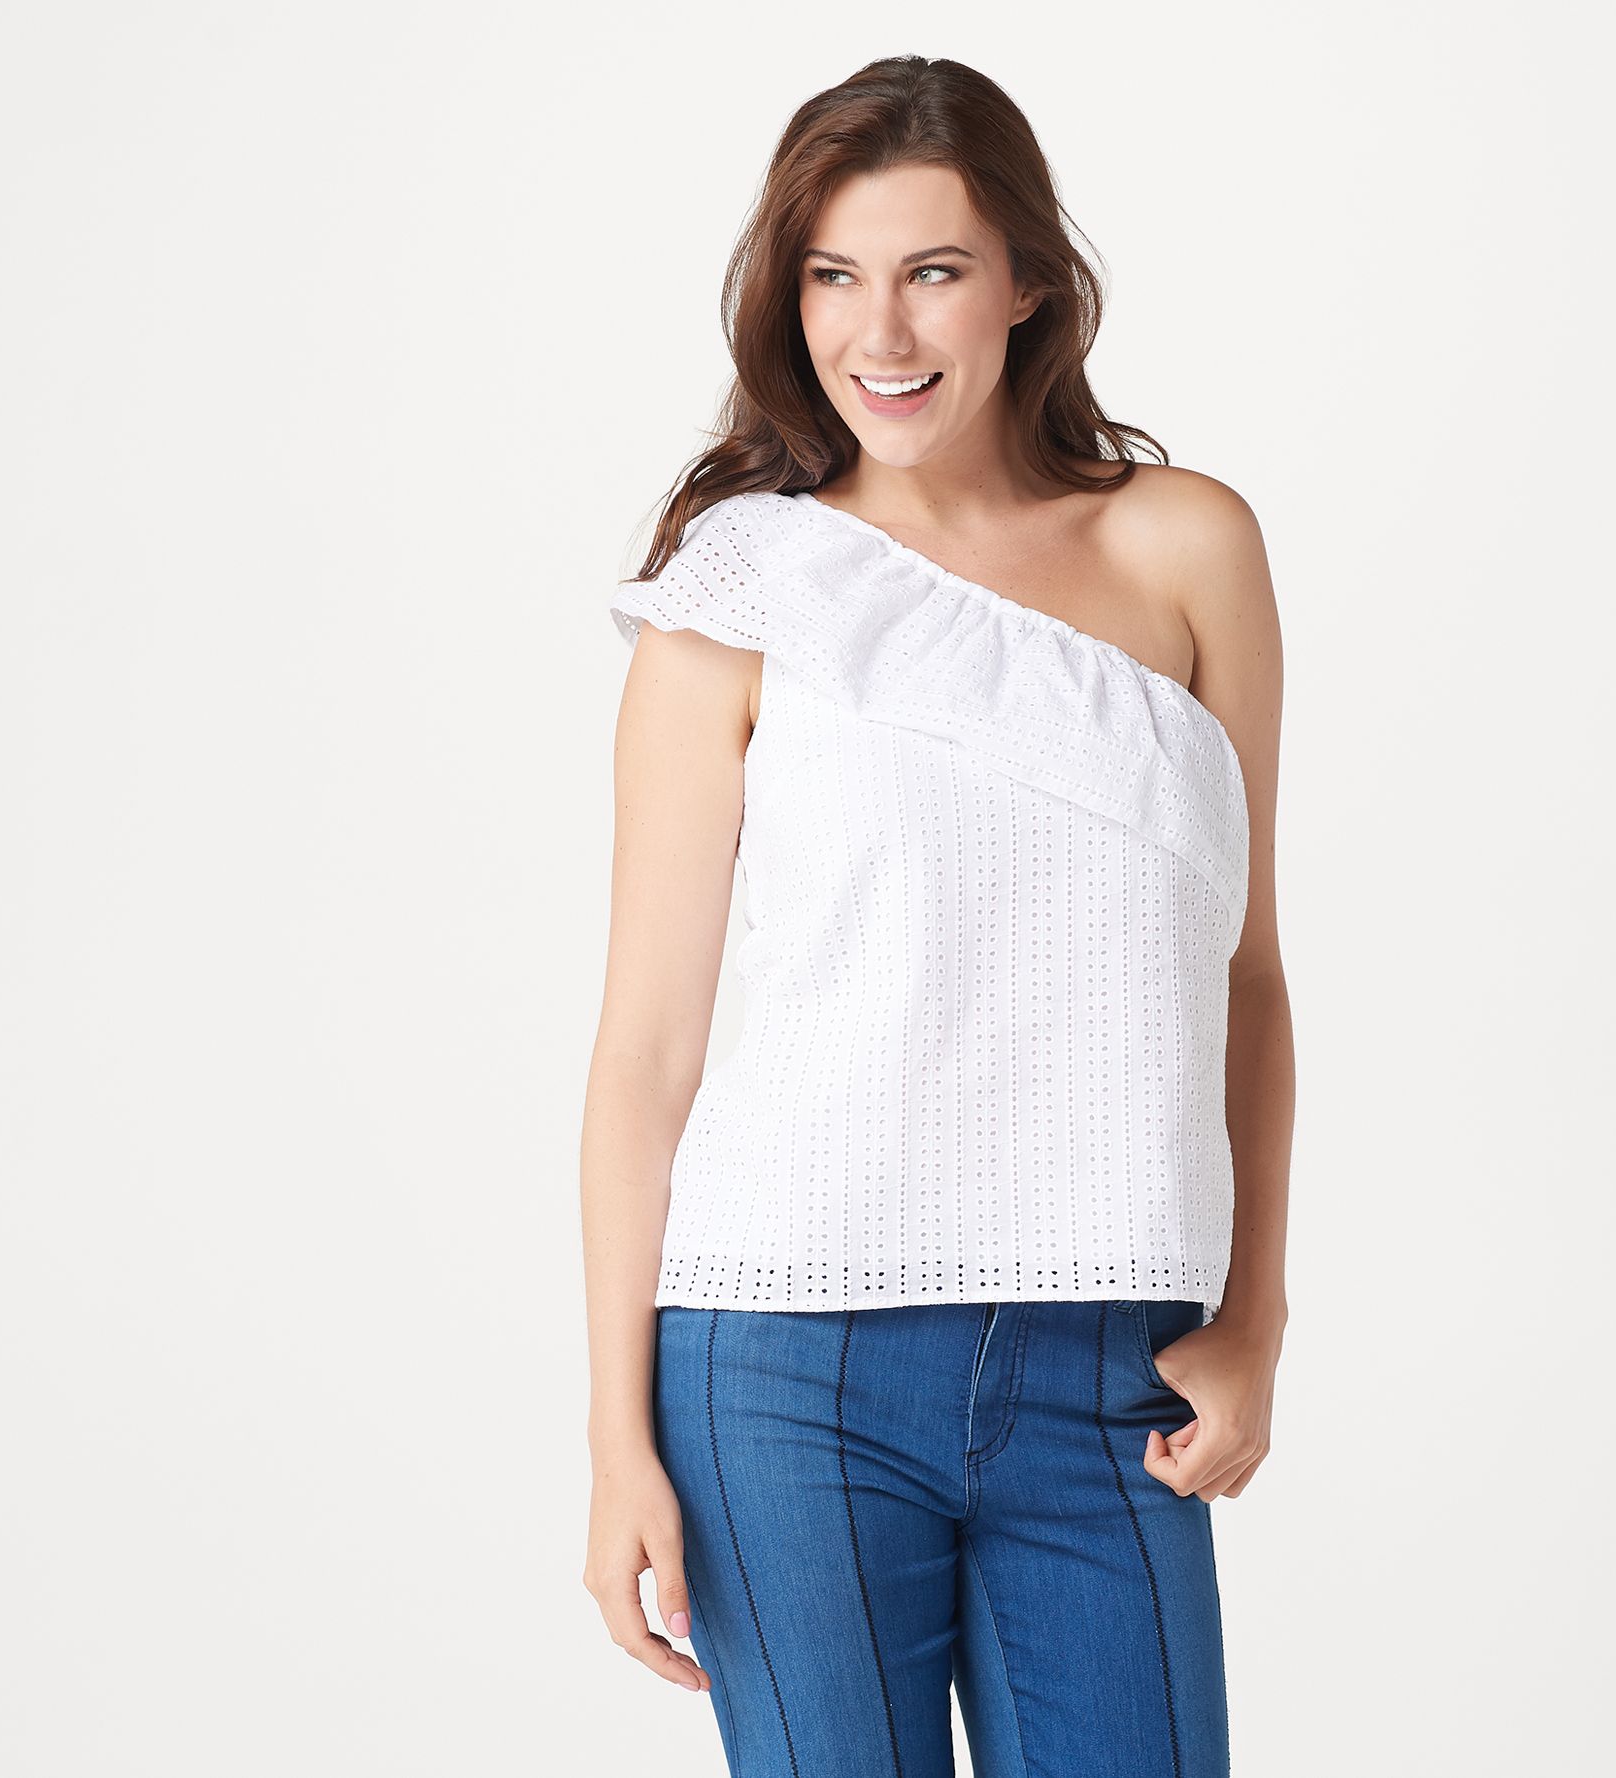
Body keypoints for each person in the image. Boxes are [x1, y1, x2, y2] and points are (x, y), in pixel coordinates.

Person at [579, 54, 1291, 1778]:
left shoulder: (1187, 547)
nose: (878, 331)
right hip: (780, 1369)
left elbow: (1249, 976)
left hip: (1107, 1362)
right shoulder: (737, 594)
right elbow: (646, 1056)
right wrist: (615, 1440)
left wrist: (1255, 1317)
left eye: (934, 270)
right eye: (833, 275)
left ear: (1029, 280)